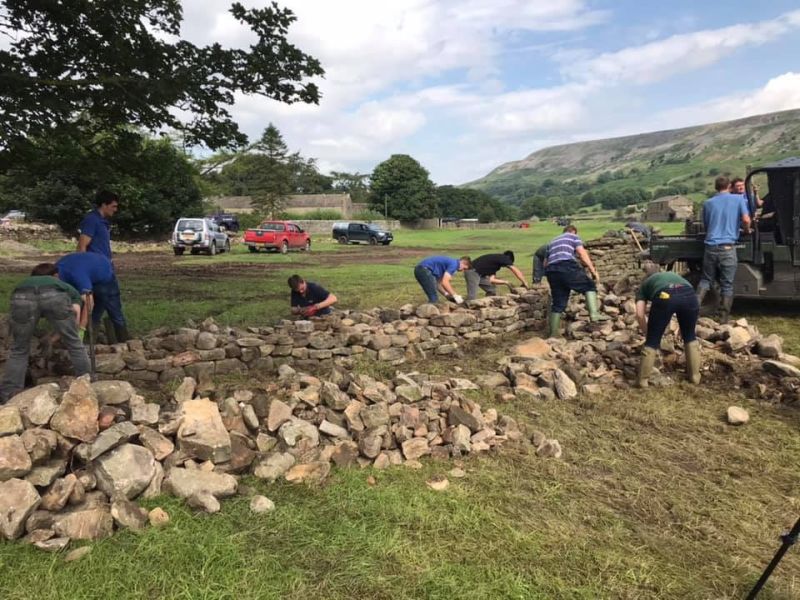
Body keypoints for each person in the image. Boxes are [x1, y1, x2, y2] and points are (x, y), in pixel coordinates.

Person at [0, 264, 90, 402]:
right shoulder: (62, 285)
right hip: (55, 297)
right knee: (74, 344)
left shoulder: (24, 283)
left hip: (21, 297)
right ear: (55, 276)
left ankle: (8, 394)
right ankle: (85, 383)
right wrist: (63, 334)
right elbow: (76, 316)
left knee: (19, 349)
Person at [635, 263, 701, 387]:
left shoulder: (644, 285)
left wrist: (648, 333)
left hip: (665, 296)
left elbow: (639, 314)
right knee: (690, 337)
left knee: (652, 342)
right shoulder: (673, 275)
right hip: (690, 295)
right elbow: (687, 300)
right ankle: (695, 377)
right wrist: (686, 327)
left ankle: (642, 381)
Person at [697, 176, 751, 323]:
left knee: (705, 280)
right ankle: (722, 319)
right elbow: (746, 220)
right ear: (729, 186)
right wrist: (746, 230)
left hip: (710, 246)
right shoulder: (738, 199)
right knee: (727, 284)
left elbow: (706, 226)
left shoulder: (707, 203)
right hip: (728, 247)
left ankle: (693, 312)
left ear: (716, 187)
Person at [77, 190, 129, 342]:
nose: (115, 209)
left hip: (104, 268)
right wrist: (85, 270)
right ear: (104, 205)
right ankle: (124, 340)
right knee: (113, 303)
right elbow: (82, 246)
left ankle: (88, 338)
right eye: (113, 206)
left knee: (98, 305)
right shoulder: (92, 220)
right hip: (99, 271)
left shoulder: (103, 222)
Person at [543, 225, 608, 338]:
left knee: (558, 303)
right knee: (589, 286)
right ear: (573, 231)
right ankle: (594, 315)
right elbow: (582, 254)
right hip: (566, 265)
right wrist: (593, 271)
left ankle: (553, 334)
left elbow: (545, 263)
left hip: (551, 271)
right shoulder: (573, 236)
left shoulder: (551, 242)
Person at [56, 252, 121, 339]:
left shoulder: (77, 275)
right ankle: (83, 335)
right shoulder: (56, 270)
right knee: (78, 305)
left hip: (104, 275)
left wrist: (81, 328)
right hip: (88, 267)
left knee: (103, 309)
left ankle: (120, 337)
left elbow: (89, 301)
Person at [464, 251, 529, 300]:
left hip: (479, 274)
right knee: (472, 295)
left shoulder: (495, 265)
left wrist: (506, 282)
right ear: (509, 259)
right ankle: (467, 311)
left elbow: (492, 280)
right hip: (472, 272)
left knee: (491, 289)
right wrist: (525, 282)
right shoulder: (503, 258)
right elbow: (515, 269)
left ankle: (489, 303)